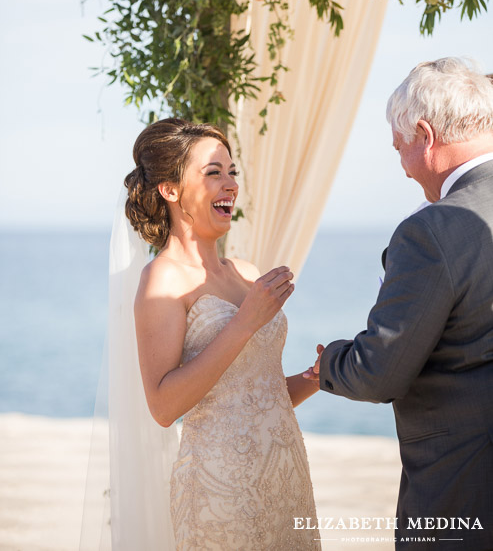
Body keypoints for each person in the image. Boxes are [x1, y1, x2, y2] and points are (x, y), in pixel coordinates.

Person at [305, 58, 493, 550]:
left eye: (400, 149)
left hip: (463, 490)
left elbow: (379, 373)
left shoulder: (432, 230)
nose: (404, 170)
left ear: (426, 135)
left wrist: (330, 362)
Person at [123, 117, 321, 550]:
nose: (230, 184)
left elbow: (256, 394)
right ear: (170, 190)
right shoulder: (162, 280)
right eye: (214, 173)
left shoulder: (247, 274)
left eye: (233, 173)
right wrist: (245, 321)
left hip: (286, 479)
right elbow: (163, 405)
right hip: (220, 490)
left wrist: (314, 378)